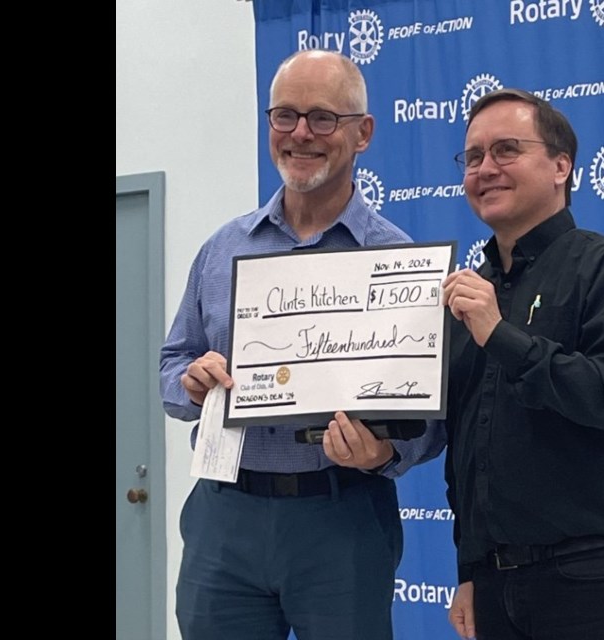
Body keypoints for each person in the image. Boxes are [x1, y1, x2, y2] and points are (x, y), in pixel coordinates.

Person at [160, 50, 446, 640]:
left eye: (322, 118)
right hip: (225, 513)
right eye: (284, 116)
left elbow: (430, 419)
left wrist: (383, 456)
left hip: (341, 519)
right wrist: (190, 384)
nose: (300, 134)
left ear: (362, 133)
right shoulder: (222, 248)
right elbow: (172, 364)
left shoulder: (397, 260)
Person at [441, 88, 604, 640]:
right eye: (473, 158)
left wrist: (502, 335)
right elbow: (468, 445)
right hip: (493, 582)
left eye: (506, 150)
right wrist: (469, 568)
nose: (485, 169)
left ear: (561, 166)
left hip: (590, 579)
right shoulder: (472, 291)